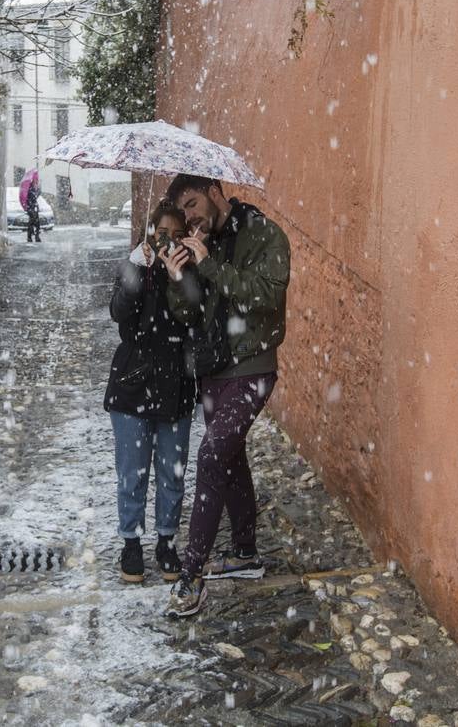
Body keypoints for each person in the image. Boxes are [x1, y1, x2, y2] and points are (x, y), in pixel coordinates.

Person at [158, 174, 290, 618]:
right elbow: (192, 312)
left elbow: (266, 297)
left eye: (194, 204)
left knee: (213, 457)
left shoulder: (264, 235)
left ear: (216, 193)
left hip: (252, 367)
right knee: (231, 459)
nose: (190, 216)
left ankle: (190, 576)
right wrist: (179, 278)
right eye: (184, 209)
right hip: (213, 371)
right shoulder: (201, 240)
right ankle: (246, 554)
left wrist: (211, 264)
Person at [105, 201, 196, 583]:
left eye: (178, 236)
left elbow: (195, 314)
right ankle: (131, 542)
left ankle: (166, 541)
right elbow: (118, 312)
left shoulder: (191, 273)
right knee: (132, 471)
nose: (169, 243)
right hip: (132, 383)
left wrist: (180, 278)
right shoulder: (137, 266)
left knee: (171, 471)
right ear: (151, 232)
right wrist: (134, 267)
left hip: (176, 383)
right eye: (163, 235)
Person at [24, 173, 42, 243]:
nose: (36, 182)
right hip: (31, 208)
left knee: (37, 223)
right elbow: (30, 199)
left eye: (37, 181)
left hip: (34, 208)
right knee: (32, 223)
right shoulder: (30, 189)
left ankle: (35, 237)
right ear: (32, 182)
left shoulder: (34, 189)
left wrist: (38, 191)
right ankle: (30, 237)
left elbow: (36, 197)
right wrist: (31, 208)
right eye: (35, 181)